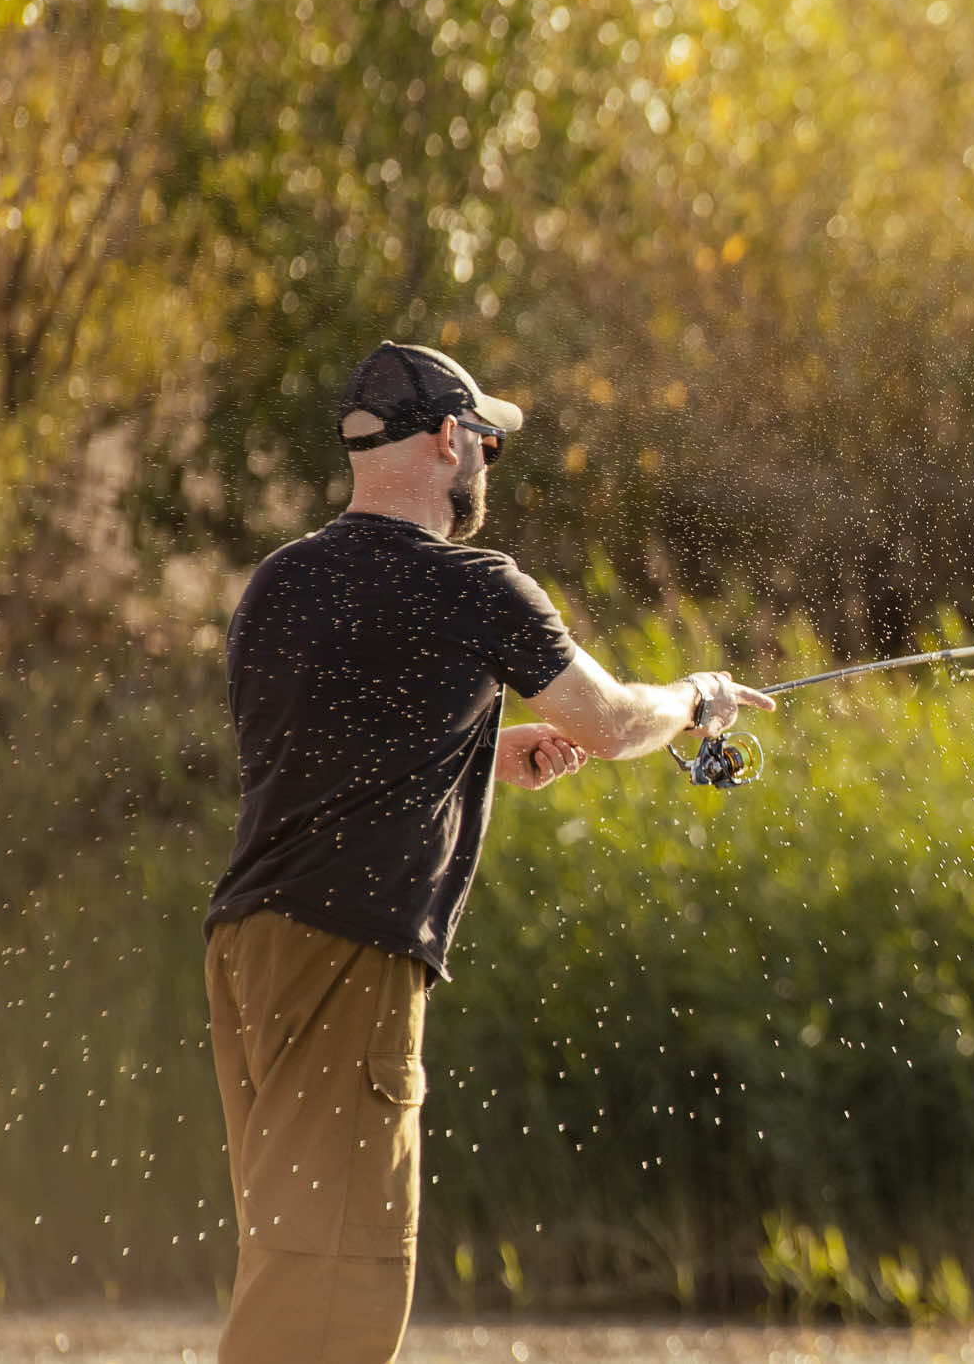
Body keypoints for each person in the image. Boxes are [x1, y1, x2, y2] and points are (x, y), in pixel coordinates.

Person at [202, 340, 775, 1364]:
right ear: (446, 437)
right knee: (338, 1284)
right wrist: (698, 697)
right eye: (485, 441)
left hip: (246, 950)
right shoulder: (474, 584)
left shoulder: (280, 583)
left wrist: (473, 749)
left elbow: (307, 756)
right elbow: (610, 720)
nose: (485, 461)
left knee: (292, 1258)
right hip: (347, 954)